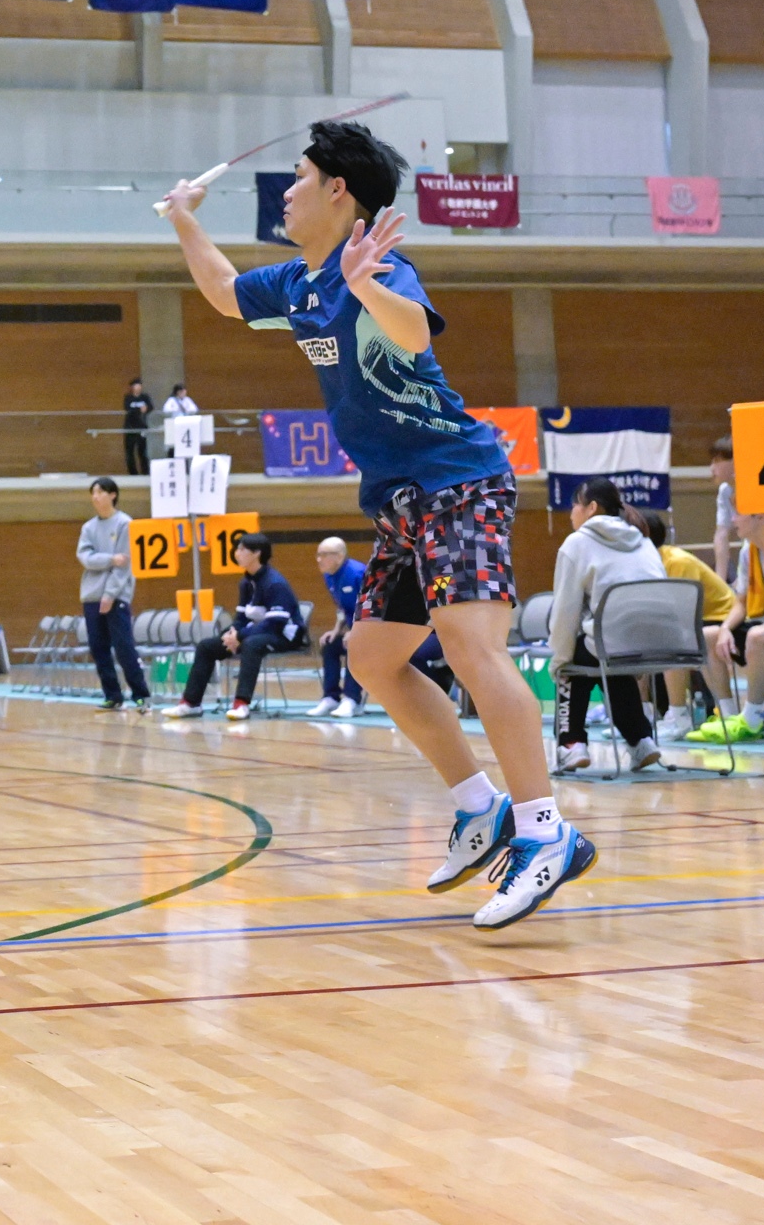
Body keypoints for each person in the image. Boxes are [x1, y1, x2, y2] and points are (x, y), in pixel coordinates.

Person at [162, 118, 594, 930]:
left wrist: (365, 286)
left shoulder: (379, 265)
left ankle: (545, 831)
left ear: (338, 190)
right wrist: (185, 218)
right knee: (369, 657)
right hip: (397, 499)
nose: (284, 192)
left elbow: (409, 329)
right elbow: (222, 292)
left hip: (458, 478)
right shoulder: (296, 283)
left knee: (470, 647)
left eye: (297, 176)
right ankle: (481, 807)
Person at [548, 479, 666, 772]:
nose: (571, 513)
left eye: (575, 505)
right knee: (606, 658)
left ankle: (571, 743)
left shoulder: (577, 543)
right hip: (659, 644)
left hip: (610, 642)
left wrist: (559, 661)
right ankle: (641, 741)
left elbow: (564, 613)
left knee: (572, 662)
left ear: (591, 508)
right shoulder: (643, 540)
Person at [165, 532, 299, 721]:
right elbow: (241, 618)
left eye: (242, 549)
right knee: (207, 646)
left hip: (284, 636)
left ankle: (241, 704)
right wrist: (231, 634)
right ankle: (191, 703)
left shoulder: (275, 583)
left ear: (256, 553)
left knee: (251, 645)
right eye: (237, 549)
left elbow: (274, 623)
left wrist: (241, 636)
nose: (236, 553)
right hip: (256, 634)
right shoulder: (246, 582)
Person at [692, 512, 764, 743]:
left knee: (757, 636)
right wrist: (725, 629)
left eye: (738, 514)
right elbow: (741, 602)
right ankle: (727, 716)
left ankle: (752, 719)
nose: (733, 520)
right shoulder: (749, 550)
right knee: (707, 636)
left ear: (759, 516)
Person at [639, 509, 736, 741]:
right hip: (692, 618)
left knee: (672, 640)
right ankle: (641, 714)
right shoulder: (645, 563)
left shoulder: (677, 561)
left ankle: (679, 716)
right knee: (638, 638)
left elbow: (685, 611)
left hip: (720, 616)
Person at [77, 477, 150, 711]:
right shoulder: (88, 528)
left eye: (100, 492)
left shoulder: (125, 524)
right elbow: (85, 558)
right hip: (91, 596)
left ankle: (141, 695)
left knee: (124, 647)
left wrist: (109, 594)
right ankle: (113, 695)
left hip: (116, 597)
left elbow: (125, 565)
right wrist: (110, 559)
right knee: (98, 648)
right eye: (93, 493)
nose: (95, 497)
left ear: (113, 495)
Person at [311, 535, 367, 718]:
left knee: (355, 645)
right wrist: (337, 630)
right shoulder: (329, 576)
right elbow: (343, 608)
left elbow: (373, 608)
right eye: (318, 554)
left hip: (374, 631)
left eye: (324, 554)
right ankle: (331, 697)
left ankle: (351, 700)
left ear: (339, 556)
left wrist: (355, 632)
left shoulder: (358, 574)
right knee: (330, 644)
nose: (319, 559)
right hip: (354, 630)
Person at [709, 436, 738, 581]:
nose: (712, 468)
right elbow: (721, 534)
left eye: (717, 461)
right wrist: (720, 582)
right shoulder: (725, 491)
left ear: (735, 461)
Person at [121, 378, 151, 475]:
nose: (138, 387)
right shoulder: (128, 397)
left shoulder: (145, 397)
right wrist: (139, 409)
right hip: (130, 428)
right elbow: (128, 408)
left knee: (142, 451)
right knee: (129, 452)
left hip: (141, 427)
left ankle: (145, 471)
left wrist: (146, 409)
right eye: (136, 385)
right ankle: (133, 472)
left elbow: (150, 407)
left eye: (139, 385)